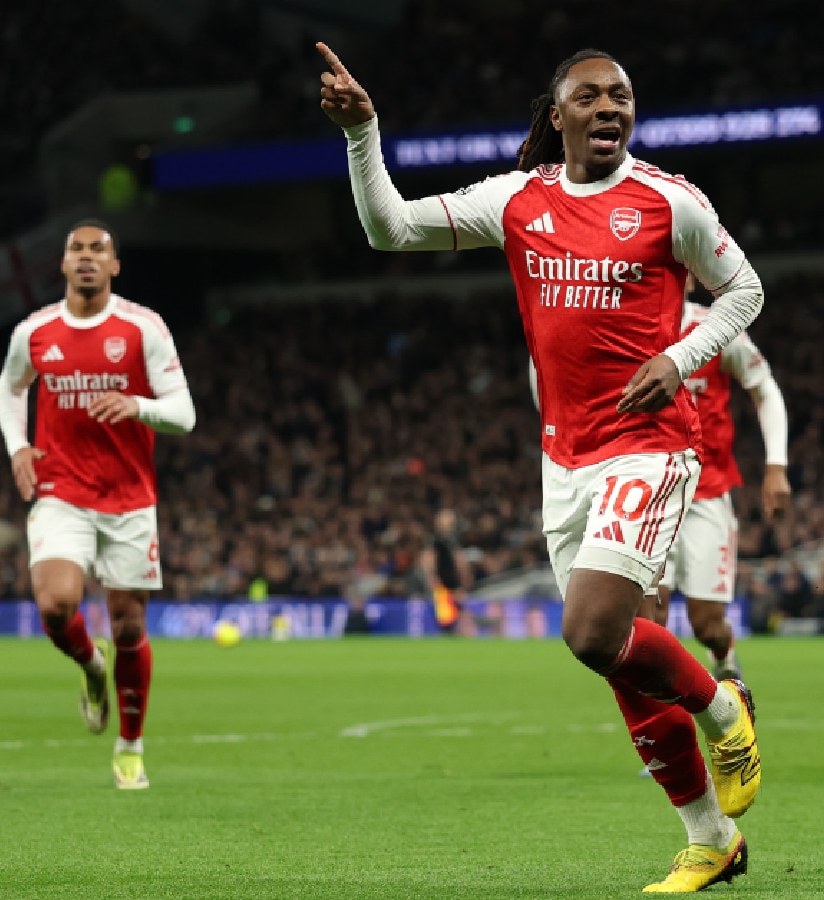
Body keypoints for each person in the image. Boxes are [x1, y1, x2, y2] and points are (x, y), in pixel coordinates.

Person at [319, 44, 762, 892]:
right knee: (619, 659)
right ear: (555, 116)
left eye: (621, 96)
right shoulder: (519, 200)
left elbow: (745, 291)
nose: (609, 108)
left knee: (591, 631)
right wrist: (362, 134)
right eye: (590, 96)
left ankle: (723, 707)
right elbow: (391, 227)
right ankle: (710, 838)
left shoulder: (672, 202)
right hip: (565, 462)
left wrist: (683, 354)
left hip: (654, 445)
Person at [0, 219, 197, 790]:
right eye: (76, 250)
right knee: (57, 604)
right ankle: (90, 664)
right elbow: (9, 388)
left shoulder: (141, 328)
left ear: (114, 266)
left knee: (129, 625)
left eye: (97, 250)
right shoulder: (34, 332)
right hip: (62, 491)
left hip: (130, 497)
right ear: (62, 265)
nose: (86, 258)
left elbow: (184, 413)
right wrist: (18, 448)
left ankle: (130, 747)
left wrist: (137, 405)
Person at [646, 282, 791, 679]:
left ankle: (725, 659)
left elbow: (764, 389)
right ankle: (663, 712)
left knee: (707, 624)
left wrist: (776, 465)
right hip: (649, 492)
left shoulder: (714, 327)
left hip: (706, 493)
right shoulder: (631, 328)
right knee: (650, 613)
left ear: (690, 277)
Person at [423, 509, 473, 634]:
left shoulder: (446, 538)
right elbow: (430, 558)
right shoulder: (439, 539)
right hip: (445, 579)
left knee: (455, 607)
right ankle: (456, 632)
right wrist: (431, 576)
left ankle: (460, 631)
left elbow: (458, 558)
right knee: (447, 610)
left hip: (450, 578)